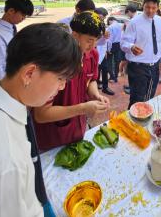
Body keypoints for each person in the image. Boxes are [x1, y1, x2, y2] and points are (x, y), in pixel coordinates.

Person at [0, 23, 81, 217]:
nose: (62, 88)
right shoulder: (8, 162)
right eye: (60, 78)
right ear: (29, 73)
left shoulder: (10, 101)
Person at [33, 12, 110, 151]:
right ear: (75, 35)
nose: (93, 46)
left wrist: (95, 94)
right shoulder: (57, 60)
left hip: (78, 126)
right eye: (89, 40)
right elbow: (41, 114)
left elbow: (91, 78)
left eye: (96, 40)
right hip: (53, 134)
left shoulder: (92, 54)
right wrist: (82, 108)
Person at [120, 0, 161, 108]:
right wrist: (131, 47)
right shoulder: (134, 22)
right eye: (147, 7)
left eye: (153, 8)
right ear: (143, 5)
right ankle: (131, 124)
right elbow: (124, 43)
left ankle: (143, 123)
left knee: (149, 97)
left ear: (158, 7)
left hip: (154, 67)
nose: (150, 11)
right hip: (138, 68)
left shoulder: (160, 22)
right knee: (137, 100)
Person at [0, 0, 34, 82]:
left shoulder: (11, 29)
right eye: (22, 14)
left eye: (25, 16)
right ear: (11, 11)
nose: (23, 18)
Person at [94, 8, 114, 96]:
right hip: (94, 53)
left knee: (105, 70)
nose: (103, 19)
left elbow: (105, 41)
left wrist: (105, 51)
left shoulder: (102, 25)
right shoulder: (91, 24)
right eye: (102, 17)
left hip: (102, 53)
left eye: (104, 18)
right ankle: (96, 87)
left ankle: (105, 87)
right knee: (95, 72)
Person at [121, 4, 138, 94]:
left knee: (134, 72)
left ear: (129, 11)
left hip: (134, 50)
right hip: (132, 49)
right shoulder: (134, 20)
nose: (127, 16)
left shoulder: (134, 21)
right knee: (132, 71)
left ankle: (132, 89)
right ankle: (131, 87)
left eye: (127, 14)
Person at [106, 16, 123, 83]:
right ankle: (115, 77)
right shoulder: (121, 25)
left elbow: (110, 39)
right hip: (119, 44)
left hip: (112, 45)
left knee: (109, 61)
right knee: (117, 62)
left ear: (110, 20)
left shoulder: (110, 27)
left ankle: (112, 77)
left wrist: (108, 49)